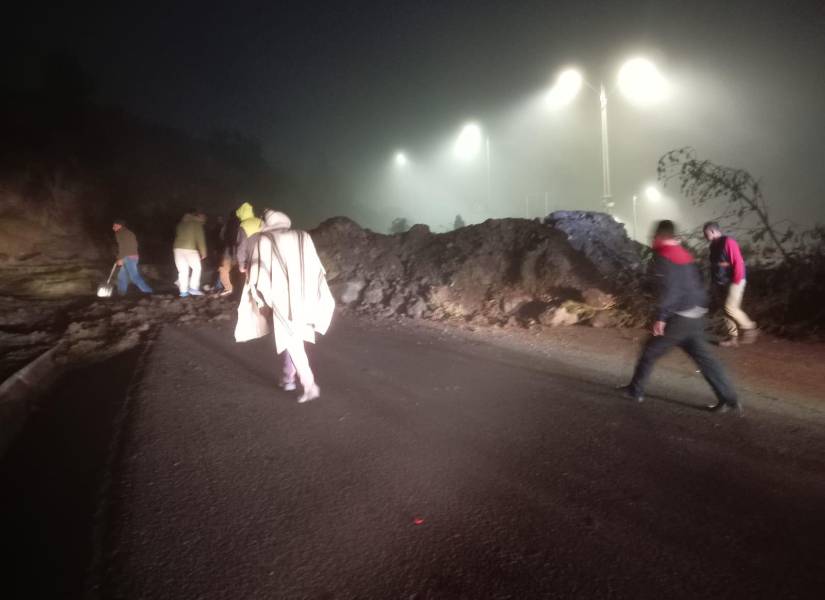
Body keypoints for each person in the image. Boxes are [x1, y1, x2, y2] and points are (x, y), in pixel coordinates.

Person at [619, 220, 742, 414]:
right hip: (697, 314)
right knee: (705, 359)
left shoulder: (663, 257)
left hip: (679, 316)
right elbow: (696, 284)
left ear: (659, 237)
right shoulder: (685, 254)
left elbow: (670, 291)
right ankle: (729, 399)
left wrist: (661, 317)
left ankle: (636, 391)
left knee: (650, 352)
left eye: (654, 237)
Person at [238, 210, 335, 403]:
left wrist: (261, 299)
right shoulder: (303, 236)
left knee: (291, 339)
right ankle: (288, 378)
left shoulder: (264, 239)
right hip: (306, 295)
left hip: (281, 296)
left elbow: (258, 273)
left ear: (266, 222)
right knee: (292, 338)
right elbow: (317, 267)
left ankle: (309, 385)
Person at [703, 221, 758, 346]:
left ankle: (749, 327)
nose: (704, 236)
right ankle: (732, 338)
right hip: (721, 282)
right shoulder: (713, 246)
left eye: (705, 233)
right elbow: (715, 266)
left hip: (735, 280)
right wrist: (714, 283)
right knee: (725, 310)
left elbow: (738, 262)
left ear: (712, 231)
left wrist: (737, 280)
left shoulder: (728, 242)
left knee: (730, 307)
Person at [112, 219, 153, 295]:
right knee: (122, 276)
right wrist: (120, 257)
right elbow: (133, 245)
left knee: (134, 276)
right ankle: (121, 294)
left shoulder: (121, 233)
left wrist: (120, 258)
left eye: (114, 226)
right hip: (131, 256)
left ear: (120, 226)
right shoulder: (128, 233)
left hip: (128, 257)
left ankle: (148, 291)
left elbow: (123, 247)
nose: (113, 228)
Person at [173, 210, 208, 298]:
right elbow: (200, 238)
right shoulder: (196, 224)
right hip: (190, 249)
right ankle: (193, 288)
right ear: (199, 217)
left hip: (177, 249)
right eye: (203, 219)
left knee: (183, 271)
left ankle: (183, 292)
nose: (204, 221)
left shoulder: (181, 223)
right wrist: (203, 252)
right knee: (197, 268)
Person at [234, 201, 263, 273]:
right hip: (267, 258)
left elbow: (241, 246)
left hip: (252, 260)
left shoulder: (243, 225)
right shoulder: (261, 221)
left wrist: (241, 265)